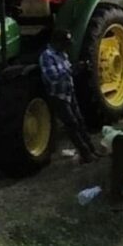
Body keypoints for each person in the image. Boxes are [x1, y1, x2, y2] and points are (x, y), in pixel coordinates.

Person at [39, 29, 101, 163]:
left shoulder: (62, 54)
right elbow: (52, 77)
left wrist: (79, 68)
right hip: (58, 96)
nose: (67, 47)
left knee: (80, 122)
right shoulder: (47, 56)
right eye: (65, 44)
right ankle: (85, 153)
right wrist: (70, 69)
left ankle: (92, 149)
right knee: (71, 124)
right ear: (57, 43)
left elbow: (68, 71)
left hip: (69, 93)